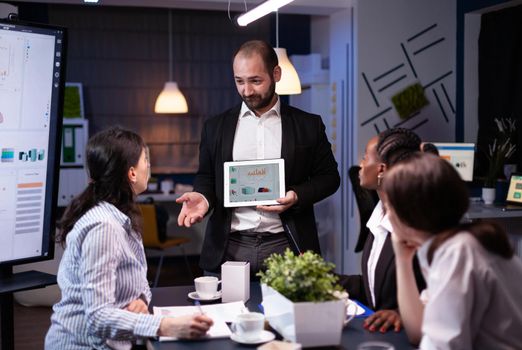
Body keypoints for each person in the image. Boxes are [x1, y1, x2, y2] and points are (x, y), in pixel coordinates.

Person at [176, 40, 340, 275]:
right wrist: (203, 197)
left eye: (255, 81)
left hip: (287, 247)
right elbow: (207, 176)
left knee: (287, 313)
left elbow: (330, 178)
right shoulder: (215, 127)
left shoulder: (308, 125)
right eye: (239, 81)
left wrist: (297, 195)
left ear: (276, 74)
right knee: (223, 312)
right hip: (229, 246)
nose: (247, 91)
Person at [45, 127, 213, 349]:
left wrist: (140, 300)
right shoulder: (103, 227)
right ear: (132, 173)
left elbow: (138, 280)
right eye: (146, 160)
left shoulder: (120, 216)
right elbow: (98, 316)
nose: (149, 166)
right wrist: (166, 326)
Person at [384, 153, 522, 349]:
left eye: (389, 207)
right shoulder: (463, 244)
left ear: (410, 214)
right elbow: (418, 331)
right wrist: (403, 260)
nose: (387, 215)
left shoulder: (459, 253)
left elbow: (441, 346)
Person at [340, 128, 426, 333]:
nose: (360, 165)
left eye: (364, 158)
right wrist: (321, 275)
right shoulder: (378, 217)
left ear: (381, 169)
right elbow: (373, 289)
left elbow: (438, 293)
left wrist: (400, 314)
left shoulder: (416, 228)